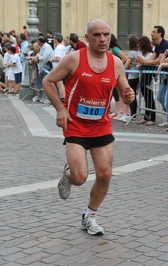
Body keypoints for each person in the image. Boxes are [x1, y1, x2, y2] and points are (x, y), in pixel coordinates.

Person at [42, 19, 135, 236]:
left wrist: (129, 96)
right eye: (97, 35)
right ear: (87, 38)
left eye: (106, 34)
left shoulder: (116, 63)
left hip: (101, 126)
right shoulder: (74, 59)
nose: (102, 39)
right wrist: (61, 109)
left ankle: (90, 216)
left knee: (105, 174)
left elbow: (126, 93)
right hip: (75, 126)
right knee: (80, 177)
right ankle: (68, 175)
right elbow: (48, 81)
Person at [109, 34, 129, 121]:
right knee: (115, 93)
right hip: (113, 73)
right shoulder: (111, 49)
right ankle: (118, 111)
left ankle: (120, 111)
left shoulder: (115, 49)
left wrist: (117, 65)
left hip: (115, 73)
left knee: (119, 93)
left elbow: (125, 58)